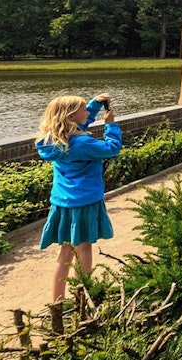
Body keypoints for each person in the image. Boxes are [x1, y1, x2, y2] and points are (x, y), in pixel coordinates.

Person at [35, 92, 122, 303]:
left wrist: (94, 105)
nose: (87, 113)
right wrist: (110, 126)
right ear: (71, 117)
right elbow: (112, 149)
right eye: (83, 110)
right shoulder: (82, 144)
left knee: (65, 253)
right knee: (84, 249)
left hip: (63, 203)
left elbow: (81, 123)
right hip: (85, 201)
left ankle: (57, 302)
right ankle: (82, 298)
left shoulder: (55, 140)